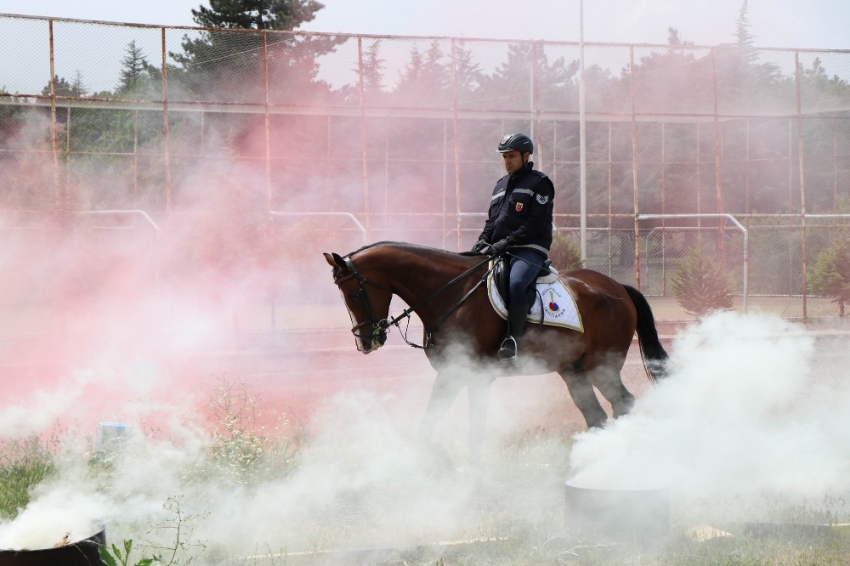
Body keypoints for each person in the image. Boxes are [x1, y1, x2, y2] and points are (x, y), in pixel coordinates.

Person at [471, 133, 555, 362]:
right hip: (500, 248)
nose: (508, 161)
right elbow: (493, 221)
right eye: (505, 157)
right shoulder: (500, 186)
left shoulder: (540, 183)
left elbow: (535, 223)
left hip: (529, 249)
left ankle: (513, 341)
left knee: (517, 282)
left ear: (526, 156)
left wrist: (506, 242)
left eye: (512, 156)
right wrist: (483, 240)